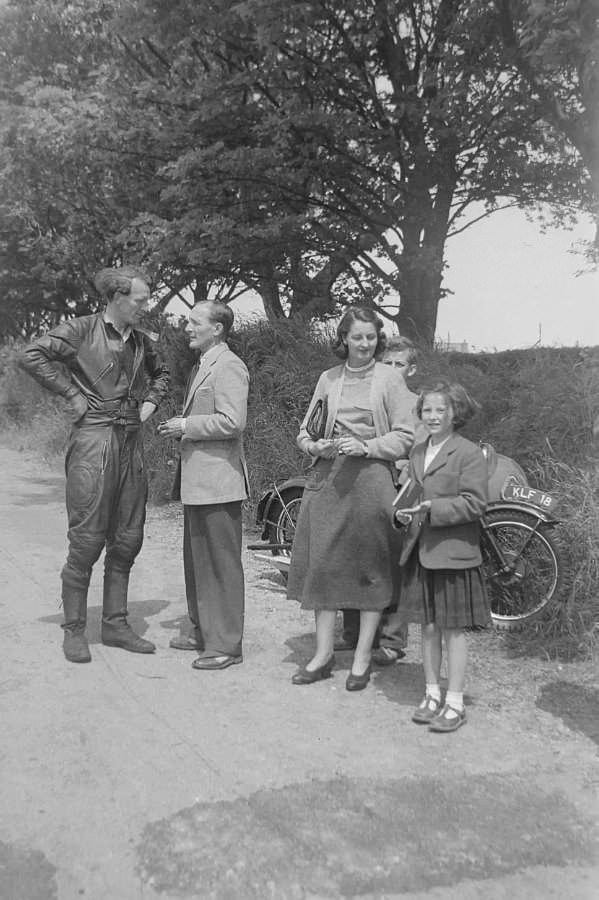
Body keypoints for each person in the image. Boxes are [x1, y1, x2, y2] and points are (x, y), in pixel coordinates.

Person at [20, 266, 169, 663]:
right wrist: (70, 393)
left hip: (130, 441)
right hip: (93, 439)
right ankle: (73, 630)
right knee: (86, 539)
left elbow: (162, 375)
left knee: (127, 539)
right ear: (118, 298)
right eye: (140, 300)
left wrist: (149, 407)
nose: (145, 306)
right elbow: (30, 355)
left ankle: (116, 624)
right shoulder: (81, 330)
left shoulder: (140, 340)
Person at [287, 306, 415, 691]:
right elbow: (305, 432)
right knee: (323, 566)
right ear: (343, 339)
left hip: (373, 479)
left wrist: (368, 446)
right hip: (331, 480)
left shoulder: (391, 380)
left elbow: (407, 435)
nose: (364, 344)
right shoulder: (328, 379)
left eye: (371, 337)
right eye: (357, 337)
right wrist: (318, 445)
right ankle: (323, 655)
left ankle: (362, 659)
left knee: (370, 568)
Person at [394, 380, 490, 732]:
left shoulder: (467, 453)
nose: (432, 416)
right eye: (427, 410)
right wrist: (400, 513)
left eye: (440, 410)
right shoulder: (418, 453)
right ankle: (432, 693)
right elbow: (408, 494)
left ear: (456, 413)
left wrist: (435, 509)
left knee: (453, 631)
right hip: (422, 551)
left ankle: (455, 701)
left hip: (453, 554)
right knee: (428, 628)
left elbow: (476, 503)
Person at [158, 301, 249, 671]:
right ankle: (202, 630)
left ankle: (226, 643)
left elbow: (233, 422)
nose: (187, 328)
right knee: (197, 562)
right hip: (200, 483)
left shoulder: (229, 366)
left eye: (195, 323)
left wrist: (185, 426)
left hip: (219, 484)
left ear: (218, 328)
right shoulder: (205, 364)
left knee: (221, 564)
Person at [338, 335, 419, 664]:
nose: (392, 370)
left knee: (392, 563)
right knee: (354, 556)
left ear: (410, 370)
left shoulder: (415, 403)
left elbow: (422, 449)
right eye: (386, 363)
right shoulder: (369, 398)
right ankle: (355, 632)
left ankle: (392, 639)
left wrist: (403, 464)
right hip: (364, 485)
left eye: (399, 364)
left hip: (401, 487)